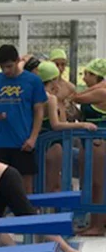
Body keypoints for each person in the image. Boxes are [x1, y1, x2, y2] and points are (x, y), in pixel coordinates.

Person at [0, 44, 48, 194]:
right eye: (2, 67)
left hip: (23, 141)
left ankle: (25, 215)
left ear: (17, 61)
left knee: (25, 186)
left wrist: (33, 138)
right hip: (0, 141)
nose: (6, 71)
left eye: (9, 66)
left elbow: (39, 111)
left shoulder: (33, 81)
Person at [35, 61, 97, 193]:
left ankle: (38, 212)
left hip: (35, 142)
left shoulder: (32, 96)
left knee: (37, 186)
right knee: (53, 185)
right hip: (53, 144)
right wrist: (82, 124)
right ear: (53, 80)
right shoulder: (50, 98)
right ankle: (51, 213)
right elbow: (56, 125)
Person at [68, 58, 106, 235]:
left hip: (99, 142)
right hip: (88, 140)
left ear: (96, 75)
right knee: (88, 182)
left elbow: (74, 96)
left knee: (99, 183)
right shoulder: (96, 91)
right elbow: (80, 111)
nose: (83, 78)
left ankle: (98, 225)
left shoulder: (102, 92)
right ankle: (93, 222)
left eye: (86, 74)